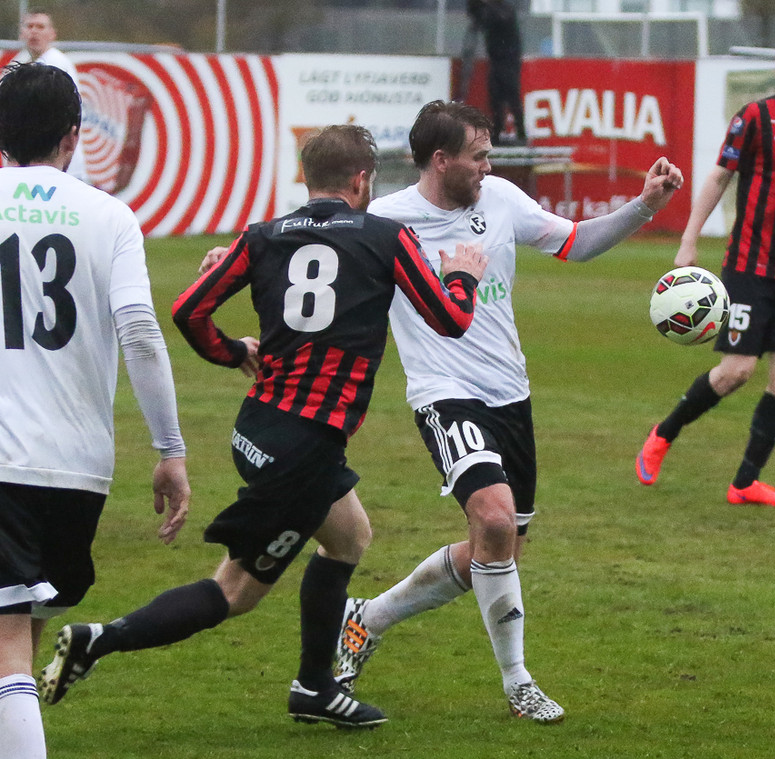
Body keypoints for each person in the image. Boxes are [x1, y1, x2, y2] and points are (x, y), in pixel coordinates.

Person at [38, 124, 488, 730]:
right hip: (301, 446)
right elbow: (451, 317)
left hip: (263, 427)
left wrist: (232, 351)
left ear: (307, 178)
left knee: (349, 536)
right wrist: (463, 273)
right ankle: (99, 640)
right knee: (235, 592)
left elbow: (188, 309)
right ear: (362, 181)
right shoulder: (387, 237)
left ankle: (314, 686)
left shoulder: (263, 236)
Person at [331, 100, 683, 723]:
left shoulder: (500, 200)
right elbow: (309, 245)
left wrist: (645, 205)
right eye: (479, 156)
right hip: (443, 392)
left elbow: (576, 243)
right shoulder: (385, 221)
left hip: (510, 396)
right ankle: (519, 683)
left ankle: (368, 617)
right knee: (493, 520)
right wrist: (239, 255)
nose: (489, 166)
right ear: (441, 160)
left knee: (496, 551)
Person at [0, 62, 190, 759]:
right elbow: (139, 331)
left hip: (4, 458)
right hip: (79, 468)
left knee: (7, 647)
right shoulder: (110, 216)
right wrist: (169, 447)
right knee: (22, 632)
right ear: (73, 136)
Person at [635, 32, 775, 507]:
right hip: (750, 266)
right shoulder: (754, 118)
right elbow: (719, 176)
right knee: (736, 371)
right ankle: (663, 434)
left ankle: (746, 482)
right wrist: (689, 240)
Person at [12, 10, 89, 183]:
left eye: (40, 27)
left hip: (60, 163)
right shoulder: (21, 61)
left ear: (52, 34)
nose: (34, 31)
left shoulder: (55, 65)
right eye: (29, 26)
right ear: (21, 32)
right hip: (38, 162)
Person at [463, 0, 527, 144]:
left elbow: (497, 18)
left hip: (509, 59)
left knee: (511, 95)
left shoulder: (504, 10)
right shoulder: (490, 10)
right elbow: (476, 15)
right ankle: (497, 132)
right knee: (495, 97)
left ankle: (521, 133)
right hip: (496, 60)